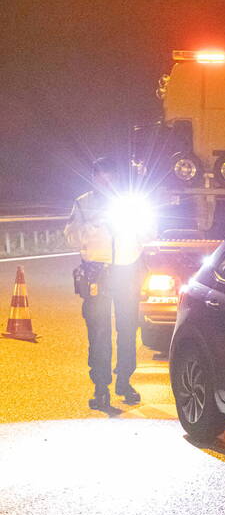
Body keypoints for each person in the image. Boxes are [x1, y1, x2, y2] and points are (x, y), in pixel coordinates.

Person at [65, 157, 153, 413]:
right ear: (94, 179)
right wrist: (92, 226)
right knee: (99, 333)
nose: (106, 183)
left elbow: (150, 233)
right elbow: (70, 237)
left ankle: (124, 382)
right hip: (96, 273)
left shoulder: (132, 202)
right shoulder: (83, 203)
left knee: (127, 330)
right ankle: (101, 387)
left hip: (127, 271)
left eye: (111, 178)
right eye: (101, 178)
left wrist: (133, 225)